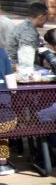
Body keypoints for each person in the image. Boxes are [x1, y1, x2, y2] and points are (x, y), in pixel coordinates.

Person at [6, 1, 47, 69]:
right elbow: (26, 61)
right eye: (46, 17)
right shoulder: (28, 32)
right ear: (41, 16)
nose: (47, 20)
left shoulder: (23, 26)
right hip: (17, 67)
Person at [0, 47, 15, 176]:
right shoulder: (2, 52)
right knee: (3, 127)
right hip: (4, 116)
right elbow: (12, 85)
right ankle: (2, 162)